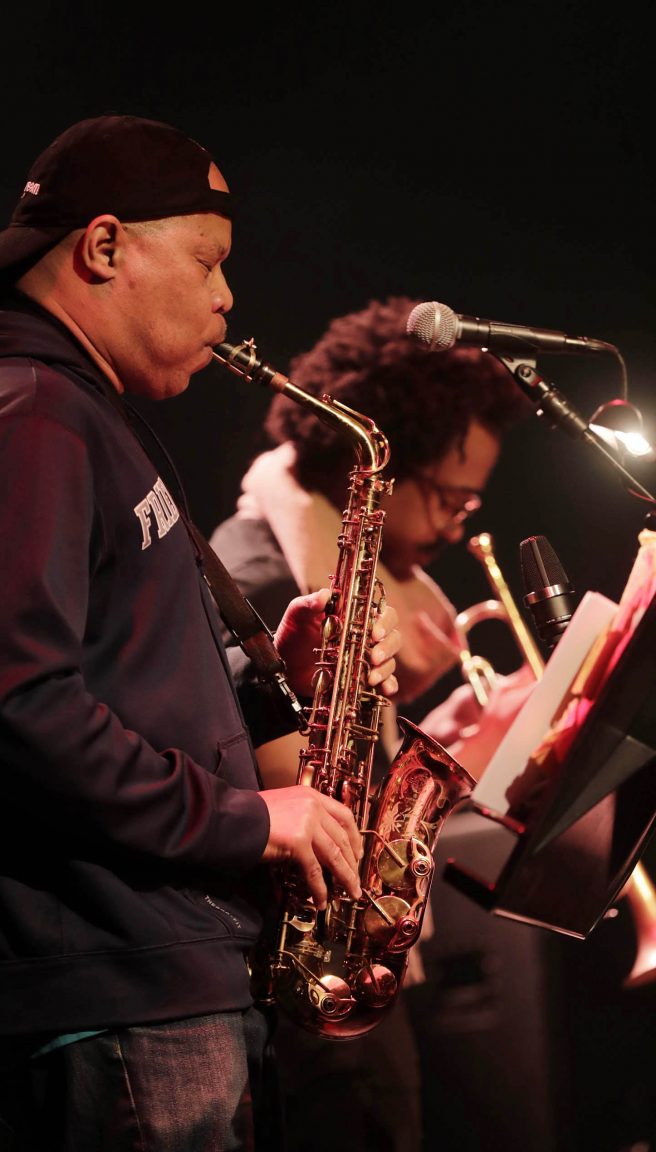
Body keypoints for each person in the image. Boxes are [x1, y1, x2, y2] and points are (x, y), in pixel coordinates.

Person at [0, 115, 406, 1152]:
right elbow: (15, 708)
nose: (227, 296)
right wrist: (253, 820)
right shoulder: (27, 414)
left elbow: (99, 678)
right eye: (210, 260)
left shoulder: (75, 412)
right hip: (118, 990)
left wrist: (274, 671)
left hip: (144, 985)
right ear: (106, 246)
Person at [209, 294, 536, 1152]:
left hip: (340, 989)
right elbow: (310, 814)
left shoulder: (311, 557)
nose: (457, 525)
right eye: (451, 499)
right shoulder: (264, 575)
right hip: (316, 991)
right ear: (387, 472)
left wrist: (452, 743)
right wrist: (473, 753)